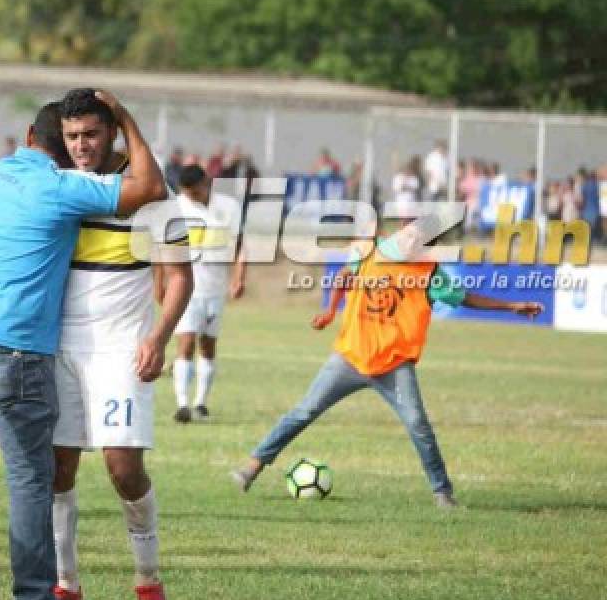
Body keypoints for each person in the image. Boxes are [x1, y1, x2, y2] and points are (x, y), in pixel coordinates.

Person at [0, 90, 167, 600]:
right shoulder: (65, 187)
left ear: (29, 139)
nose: (82, 147)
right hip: (12, 350)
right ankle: (37, 598)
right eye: (74, 138)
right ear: (61, 147)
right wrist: (125, 116)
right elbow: (148, 185)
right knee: (34, 476)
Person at [230, 217, 543, 507]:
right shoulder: (368, 251)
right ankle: (251, 468)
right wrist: (331, 310)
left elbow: (466, 298)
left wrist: (512, 305)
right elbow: (343, 276)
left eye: (420, 240)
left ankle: (442, 492)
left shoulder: (427, 273)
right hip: (350, 356)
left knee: (418, 425)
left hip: (394, 365)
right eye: (409, 233)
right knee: (304, 411)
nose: (411, 241)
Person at [167, 164, 246, 423]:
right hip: (186, 288)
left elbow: (240, 245)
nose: (192, 197)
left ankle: (201, 403)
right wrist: (159, 284)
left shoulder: (228, 207)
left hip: (215, 288)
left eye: (195, 192)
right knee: (186, 342)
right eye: (187, 193)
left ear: (207, 183)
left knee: (208, 345)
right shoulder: (176, 207)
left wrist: (238, 277)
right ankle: (182, 405)